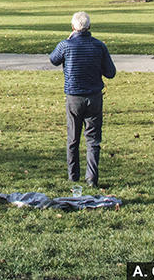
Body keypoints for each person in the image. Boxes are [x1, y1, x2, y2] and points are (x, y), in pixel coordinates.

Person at [49, 10, 117, 188]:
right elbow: (111, 73)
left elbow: (53, 59)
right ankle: (91, 179)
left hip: (74, 97)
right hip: (94, 97)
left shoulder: (66, 45)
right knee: (93, 140)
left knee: (73, 138)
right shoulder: (99, 46)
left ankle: (73, 176)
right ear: (89, 27)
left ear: (72, 27)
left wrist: (69, 39)